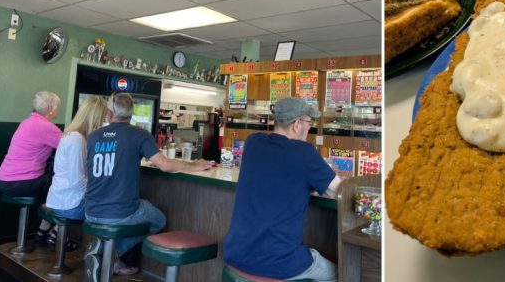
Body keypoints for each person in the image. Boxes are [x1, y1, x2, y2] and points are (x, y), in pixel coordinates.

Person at [83, 92, 210, 279]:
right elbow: (165, 165)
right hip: (121, 213)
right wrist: (196, 165)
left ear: (109, 113)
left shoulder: (93, 137)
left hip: (90, 211)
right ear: (131, 114)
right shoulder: (139, 135)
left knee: (139, 209)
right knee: (158, 220)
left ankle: (108, 254)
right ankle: (112, 253)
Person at [223, 97, 342, 281]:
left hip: (236, 252)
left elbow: (276, 174)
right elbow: (338, 191)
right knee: (342, 273)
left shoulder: (253, 143)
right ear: (296, 124)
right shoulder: (304, 152)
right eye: (309, 122)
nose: (309, 128)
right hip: (279, 261)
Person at [45, 96, 108, 251]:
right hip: (68, 203)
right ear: (94, 117)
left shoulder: (72, 135)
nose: (102, 122)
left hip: (60, 198)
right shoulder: (77, 140)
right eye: (102, 117)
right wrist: (99, 187)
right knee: (110, 209)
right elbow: (76, 181)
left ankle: (56, 232)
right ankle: (101, 253)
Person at [0, 91, 63, 244]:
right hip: (22, 182)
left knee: (51, 181)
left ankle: (43, 228)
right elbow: (71, 147)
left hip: (4, 180)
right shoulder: (46, 126)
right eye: (57, 107)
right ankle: (54, 230)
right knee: (61, 183)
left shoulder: (26, 122)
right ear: (51, 108)